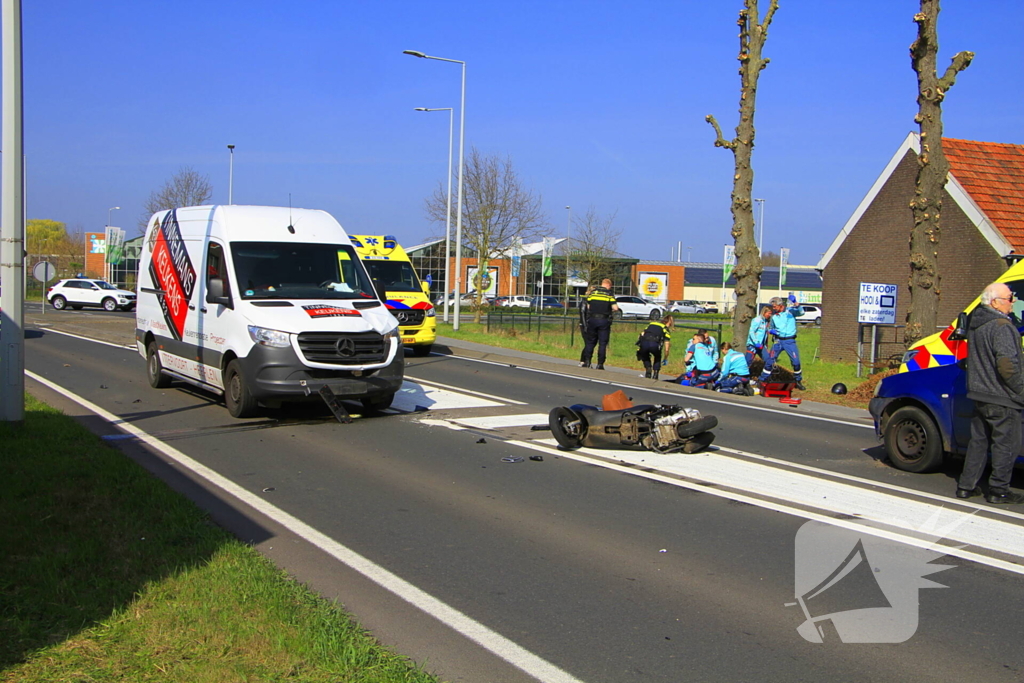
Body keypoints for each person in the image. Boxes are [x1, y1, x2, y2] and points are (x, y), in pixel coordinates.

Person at [956, 282, 1024, 504]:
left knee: (979, 442)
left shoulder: (976, 325)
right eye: (1009, 299)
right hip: (1002, 396)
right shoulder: (1002, 327)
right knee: (1007, 445)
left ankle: (966, 486)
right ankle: (998, 491)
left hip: (979, 394)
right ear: (995, 302)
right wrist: (1021, 390)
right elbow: (1007, 366)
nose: (1012, 303)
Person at [757, 294, 806, 391]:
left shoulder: (790, 312)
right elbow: (771, 328)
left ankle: (798, 381)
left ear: (780, 305)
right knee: (770, 360)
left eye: (775, 306)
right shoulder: (774, 317)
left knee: (796, 362)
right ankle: (762, 380)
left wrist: (796, 302)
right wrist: (771, 331)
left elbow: (801, 312)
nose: (773, 308)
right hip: (778, 341)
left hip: (789, 341)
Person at [579, 278, 619, 370]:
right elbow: (615, 308)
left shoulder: (593, 293)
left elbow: (588, 306)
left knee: (590, 342)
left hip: (592, 320)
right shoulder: (609, 295)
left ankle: (587, 361)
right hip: (604, 321)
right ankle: (600, 364)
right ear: (608, 285)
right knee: (602, 343)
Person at [636, 314, 673, 380]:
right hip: (654, 344)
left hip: (644, 343)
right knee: (657, 357)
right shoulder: (665, 329)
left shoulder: (652, 324)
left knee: (645, 355)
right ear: (669, 323)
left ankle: (648, 369)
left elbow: (641, 334)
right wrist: (665, 357)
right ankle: (655, 374)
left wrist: (640, 346)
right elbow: (666, 347)